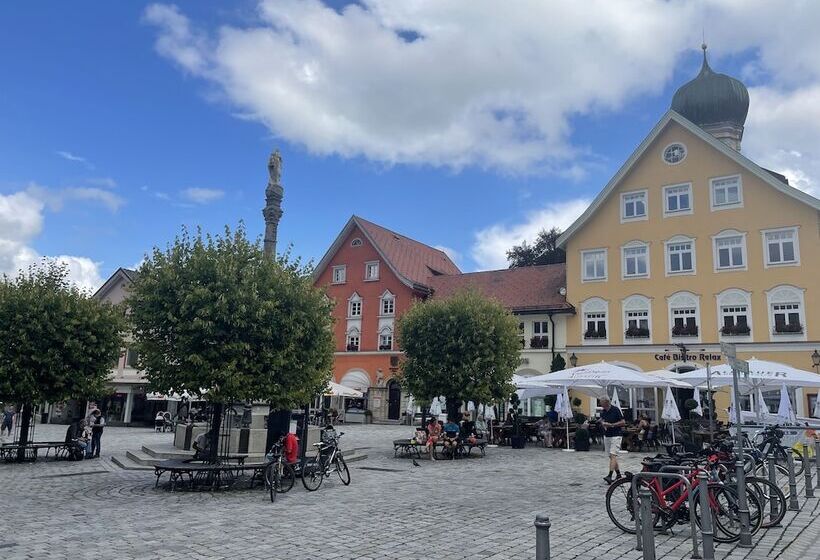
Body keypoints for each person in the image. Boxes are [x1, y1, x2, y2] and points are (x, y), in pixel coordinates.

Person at [600, 396, 625, 484]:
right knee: (611, 456)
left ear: (607, 402)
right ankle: (618, 475)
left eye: (601, 402)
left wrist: (612, 425)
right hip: (607, 435)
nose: (600, 404)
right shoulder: (603, 411)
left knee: (613, 454)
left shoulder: (615, 410)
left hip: (616, 434)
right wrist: (603, 423)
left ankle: (610, 475)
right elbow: (602, 420)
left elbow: (623, 422)